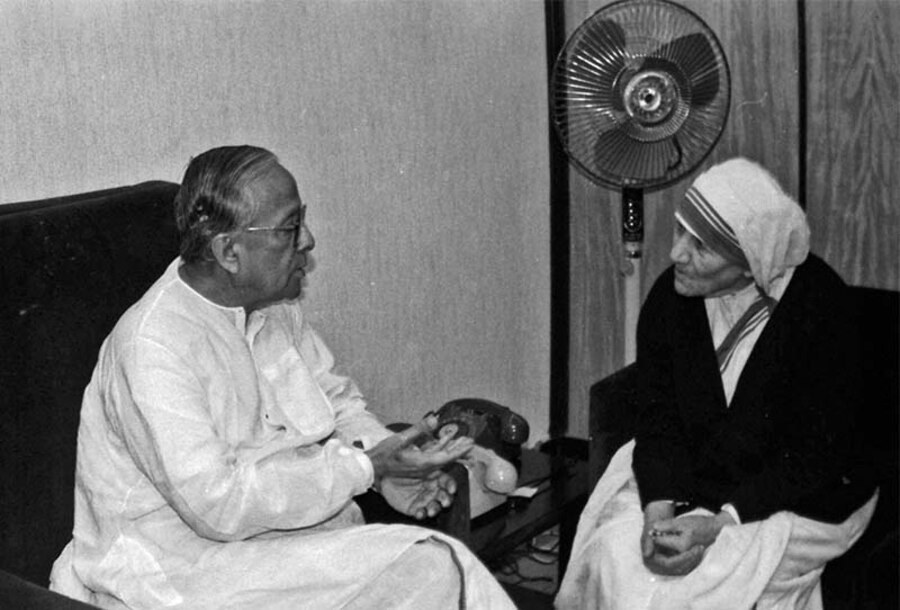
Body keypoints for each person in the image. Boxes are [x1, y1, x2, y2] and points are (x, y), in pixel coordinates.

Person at [49, 145, 516, 609]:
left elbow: (338, 404)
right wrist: (367, 469)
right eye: (290, 227)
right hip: (179, 573)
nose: (308, 240)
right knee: (432, 566)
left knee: (420, 574)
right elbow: (219, 505)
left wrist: (387, 468)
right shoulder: (153, 345)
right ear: (229, 251)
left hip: (279, 551)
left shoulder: (273, 310)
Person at [556, 158, 878, 610]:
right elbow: (659, 418)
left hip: (796, 494)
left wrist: (720, 522)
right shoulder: (672, 296)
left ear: (749, 264)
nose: (676, 256)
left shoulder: (821, 311)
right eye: (680, 231)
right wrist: (658, 509)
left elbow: (815, 457)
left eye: (701, 247)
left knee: (706, 582)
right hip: (693, 472)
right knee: (617, 556)